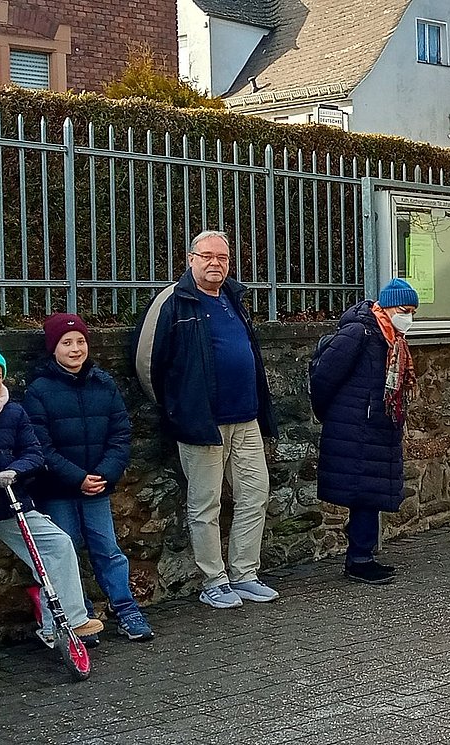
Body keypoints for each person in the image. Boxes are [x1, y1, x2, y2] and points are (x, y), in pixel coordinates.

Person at [135, 230, 279, 609]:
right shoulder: (174, 301)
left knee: (254, 494)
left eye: (223, 257)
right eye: (207, 256)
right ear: (190, 258)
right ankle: (214, 580)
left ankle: (245, 573)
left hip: (245, 419)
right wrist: (178, 407)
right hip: (203, 423)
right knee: (206, 504)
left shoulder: (234, 297)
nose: (216, 263)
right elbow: (150, 362)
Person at [0, 334, 106, 677]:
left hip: (11, 501)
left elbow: (34, 453)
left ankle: (65, 623)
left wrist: (15, 470)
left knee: (58, 544)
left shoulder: (15, 412)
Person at [24, 313, 153, 641]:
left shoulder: (103, 383)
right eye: (66, 342)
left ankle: (125, 608)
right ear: (53, 348)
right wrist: (76, 477)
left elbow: (121, 434)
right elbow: (40, 445)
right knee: (65, 551)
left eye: (80, 341)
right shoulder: (39, 390)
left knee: (107, 548)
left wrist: (105, 473)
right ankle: (77, 614)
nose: (75, 348)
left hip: (97, 485)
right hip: (57, 489)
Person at [309, 279, 419, 585]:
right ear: (385, 306)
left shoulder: (392, 339)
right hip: (358, 425)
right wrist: (334, 415)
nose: (408, 317)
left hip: (376, 426)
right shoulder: (360, 332)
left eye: (412, 311)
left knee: (369, 492)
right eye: (403, 309)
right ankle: (359, 559)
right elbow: (324, 377)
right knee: (363, 492)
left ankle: (363, 555)